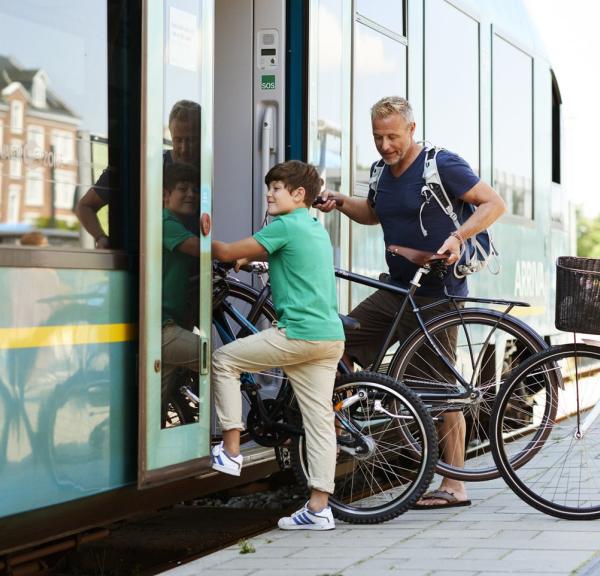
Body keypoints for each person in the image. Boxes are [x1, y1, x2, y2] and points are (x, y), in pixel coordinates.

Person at [316, 96, 506, 509]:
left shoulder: (442, 164)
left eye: (393, 137)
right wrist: (340, 202)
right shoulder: (381, 171)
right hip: (397, 290)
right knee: (333, 345)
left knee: (438, 392)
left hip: (439, 295)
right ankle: (332, 436)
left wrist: (457, 238)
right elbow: (372, 213)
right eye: (377, 137)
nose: (385, 145)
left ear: (412, 130)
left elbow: (494, 203)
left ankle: (454, 485)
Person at [211, 160, 344, 531]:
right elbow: (278, 253)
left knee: (224, 359)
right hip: (329, 338)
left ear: (299, 194)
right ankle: (319, 509)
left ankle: (231, 450)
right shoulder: (313, 227)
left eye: (276, 188)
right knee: (319, 422)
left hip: (298, 335)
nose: (268, 194)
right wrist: (247, 256)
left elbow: (222, 250)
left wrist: (197, 239)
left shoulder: (283, 225)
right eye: (268, 187)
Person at [76, 100, 201, 248]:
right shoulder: (142, 167)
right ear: (171, 134)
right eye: (178, 140)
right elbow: (85, 206)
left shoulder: (211, 172)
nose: (184, 148)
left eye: (191, 140)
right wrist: (101, 238)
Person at [161, 161, 201, 415]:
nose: (190, 194)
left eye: (195, 189)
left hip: (170, 325)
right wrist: (240, 254)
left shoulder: (179, 224)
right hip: (161, 328)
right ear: (166, 195)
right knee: (220, 361)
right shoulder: (166, 223)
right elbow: (199, 248)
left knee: (156, 400)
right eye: (182, 188)